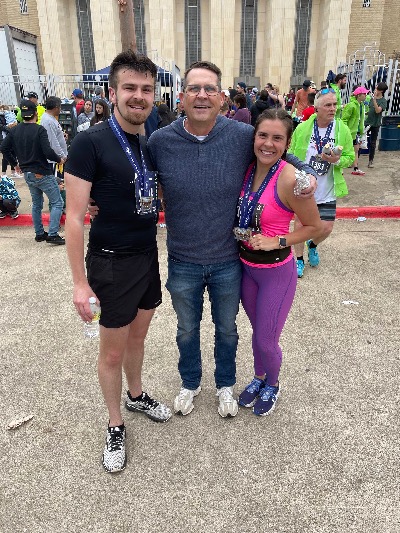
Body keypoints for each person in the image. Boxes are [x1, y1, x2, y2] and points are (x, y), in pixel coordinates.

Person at [147, 61, 318, 419]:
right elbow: (137, 177)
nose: (202, 95)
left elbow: (278, 152)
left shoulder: (241, 136)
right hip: (183, 258)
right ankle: (190, 382)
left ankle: (225, 383)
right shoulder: (160, 142)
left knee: (227, 329)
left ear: (222, 98)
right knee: (186, 329)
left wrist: (306, 173)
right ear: (181, 97)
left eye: (210, 88)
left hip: (228, 259)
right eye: (194, 88)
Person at [64, 50, 171, 474]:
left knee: (139, 338)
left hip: (146, 255)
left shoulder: (148, 141)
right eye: (130, 88)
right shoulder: (90, 141)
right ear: (112, 92)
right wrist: (79, 284)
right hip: (110, 263)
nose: (139, 96)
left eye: (146, 89)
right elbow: (73, 218)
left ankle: (137, 394)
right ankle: (114, 424)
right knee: (111, 352)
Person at [236, 109, 323, 415]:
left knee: (266, 337)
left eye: (277, 138)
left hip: (276, 272)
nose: (268, 144)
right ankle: (259, 377)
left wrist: (280, 239)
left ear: (286, 143)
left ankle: (272, 383)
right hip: (246, 269)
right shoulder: (246, 169)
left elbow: (316, 227)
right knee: (257, 332)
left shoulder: (292, 180)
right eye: (263, 135)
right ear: (253, 137)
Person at [288, 88, 355, 278]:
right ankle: (299, 260)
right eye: (328, 105)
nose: (333, 108)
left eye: (335, 104)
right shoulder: (302, 129)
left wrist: (337, 161)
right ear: (317, 108)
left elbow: (350, 157)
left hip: (327, 188)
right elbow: (290, 154)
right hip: (305, 186)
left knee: (326, 228)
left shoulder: (342, 130)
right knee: (300, 225)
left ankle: (313, 244)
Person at [0, 99, 65, 244]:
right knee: (57, 202)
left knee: (37, 204)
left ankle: (39, 233)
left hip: (27, 173)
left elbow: (4, 147)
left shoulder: (15, 130)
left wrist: (14, 164)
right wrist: (59, 159)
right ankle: (53, 234)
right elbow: (48, 152)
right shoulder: (39, 129)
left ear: (22, 115)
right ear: (36, 113)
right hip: (41, 171)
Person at [40, 96, 68, 212]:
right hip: (55, 160)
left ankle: (61, 207)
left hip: (57, 158)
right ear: (56, 107)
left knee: (60, 184)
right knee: (57, 186)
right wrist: (62, 156)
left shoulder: (50, 119)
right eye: (60, 107)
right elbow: (53, 142)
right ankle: (57, 209)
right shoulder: (48, 120)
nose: (60, 109)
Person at [342, 86, 368, 176]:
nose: (365, 95)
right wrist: (345, 131)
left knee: (356, 149)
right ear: (358, 95)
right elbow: (344, 119)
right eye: (364, 94)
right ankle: (339, 168)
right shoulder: (351, 105)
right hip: (349, 132)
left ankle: (355, 168)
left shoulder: (362, 105)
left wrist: (361, 131)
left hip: (356, 132)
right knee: (343, 149)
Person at [365, 82, 388, 168]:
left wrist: (374, 100)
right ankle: (355, 160)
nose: (375, 90)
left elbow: (378, 110)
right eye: (375, 88)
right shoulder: (370, 99)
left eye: (377, 88)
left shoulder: (383, 101)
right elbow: (369, 109)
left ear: (381, 91)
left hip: (375, 124)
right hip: (367, 122)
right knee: (360, 140)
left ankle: (371, 160)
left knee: (373, 143)